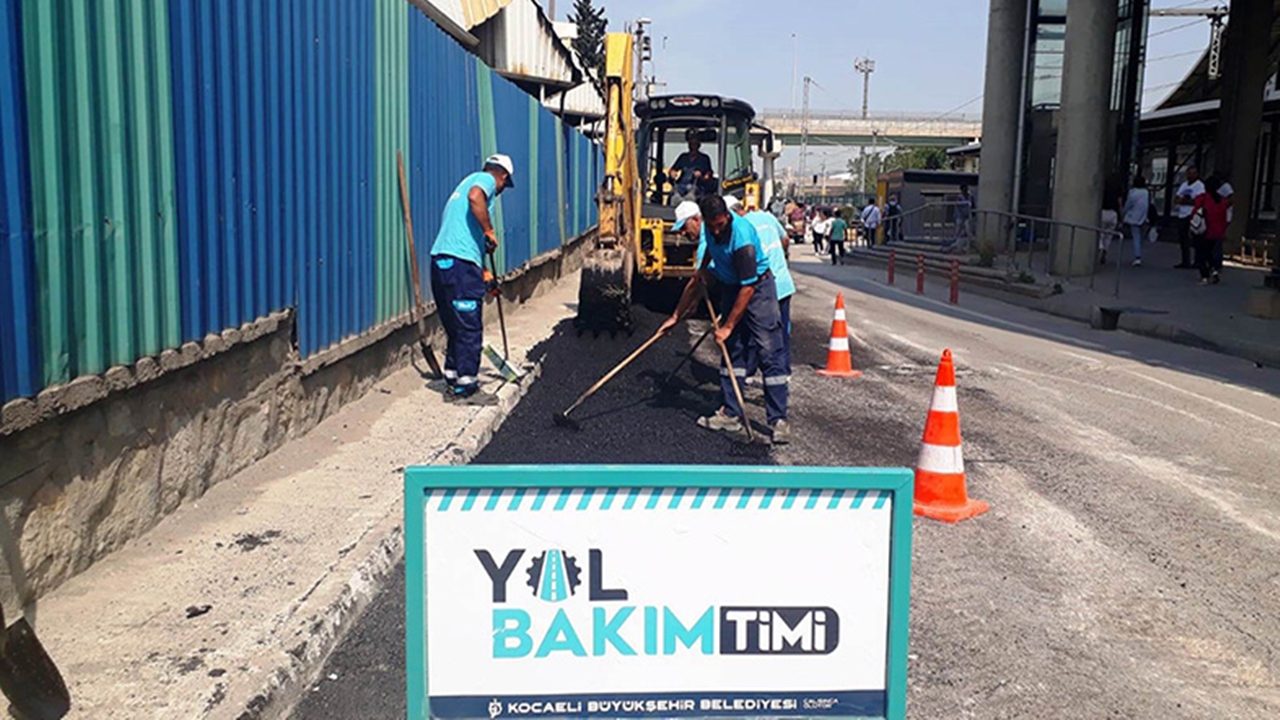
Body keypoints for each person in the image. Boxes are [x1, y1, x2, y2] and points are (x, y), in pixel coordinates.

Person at [660, 196, 790, 444]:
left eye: (721, 225)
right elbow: (701, 272)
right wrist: (675, 316)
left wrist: (728, 326)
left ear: (727, 217)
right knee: (733, 353)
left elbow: (748, 287)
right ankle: (731, 413)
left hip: (758, 289)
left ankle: (778, 421)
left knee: (769, 351)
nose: (717, 230)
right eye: (713, 226)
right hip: (732, 288)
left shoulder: (742, 238)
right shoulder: (709, 231)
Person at [429, 153, 514, 405]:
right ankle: (467, 387)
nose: (499, 192)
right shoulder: (484, 181)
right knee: (469, 326)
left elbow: (465, 235)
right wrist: (489, 229)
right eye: (503, 187)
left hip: (442, 261)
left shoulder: (463, 184)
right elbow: (476, 197)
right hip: (460, 264)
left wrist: (483, 273)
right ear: (502, 176)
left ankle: (453, 378)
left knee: (455, 325)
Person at [727, 196, 795, 377]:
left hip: (764, 287)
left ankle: (752, 372)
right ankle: (784, 373)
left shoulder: (740, 228)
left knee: (755, 334)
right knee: (781, 332)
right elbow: (785, 239)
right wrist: (781, 257)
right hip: (783, 282)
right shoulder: (767, 217)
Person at [1191, 176, 1230, 285]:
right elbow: (1224, 217)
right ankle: (1214, 271)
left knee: (1201, 254)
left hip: (1204, 230)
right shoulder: (1222, 201)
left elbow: (1195, 212)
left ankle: (1205, 276)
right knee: (1211, 253)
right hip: (1217, 231)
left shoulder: (1202, 198)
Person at [669, 128, 714, 201]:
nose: (692, 146)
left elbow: (708, 175)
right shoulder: (683, 157)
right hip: (681, 186)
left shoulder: (704, 158)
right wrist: (673, 173)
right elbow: (672, 169)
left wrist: (701, 176)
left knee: (692, 197)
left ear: (698, 145)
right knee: (673, 196)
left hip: (697, 187)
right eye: (690, 144)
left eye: (694, 144)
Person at [1172, 166, 1204, 269]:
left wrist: (1184, 201)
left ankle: (1198, 261)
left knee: (1196, 239)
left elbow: (1199, 201)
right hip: (1182, 214)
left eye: (1193, 173)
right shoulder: (1184, 185)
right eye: (1189, 173)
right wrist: (1180, 200)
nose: (1190, 175)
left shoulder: (1199, 186)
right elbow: (1176, 198)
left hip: (1193, 215)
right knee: (1183, 238)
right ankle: (1185, 261)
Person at [1121, 175, 1150, 267]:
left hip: (1134, 217)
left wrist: (1123, 213)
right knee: (1140, 237)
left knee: (1136, 237)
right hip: (1144, 217)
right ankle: (1139, 252)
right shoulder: (1146, 193)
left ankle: (1138, 256)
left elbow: (1128, 205)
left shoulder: (1132, 193)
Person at [1098, 173, 1124, 265]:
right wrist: (1121, 216)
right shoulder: (1118, 189)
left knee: (1100, 234)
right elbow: (1120, 203)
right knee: (1108, 236)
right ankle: (1105, 251)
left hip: (1103, 212)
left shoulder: (1103, 188)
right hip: (1113, 213)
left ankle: (1100, 248)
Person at [944, 185, 974, 253]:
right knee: (958, 231)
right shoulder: (959, 197)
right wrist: (962, 214)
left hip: (968, 216)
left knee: (968, 232)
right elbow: (959, 206)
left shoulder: (970, 197)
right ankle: (955, 246)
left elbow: (973, 206)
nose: (964, 191)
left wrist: (971, 214)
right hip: (960, 216)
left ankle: (968, 247)